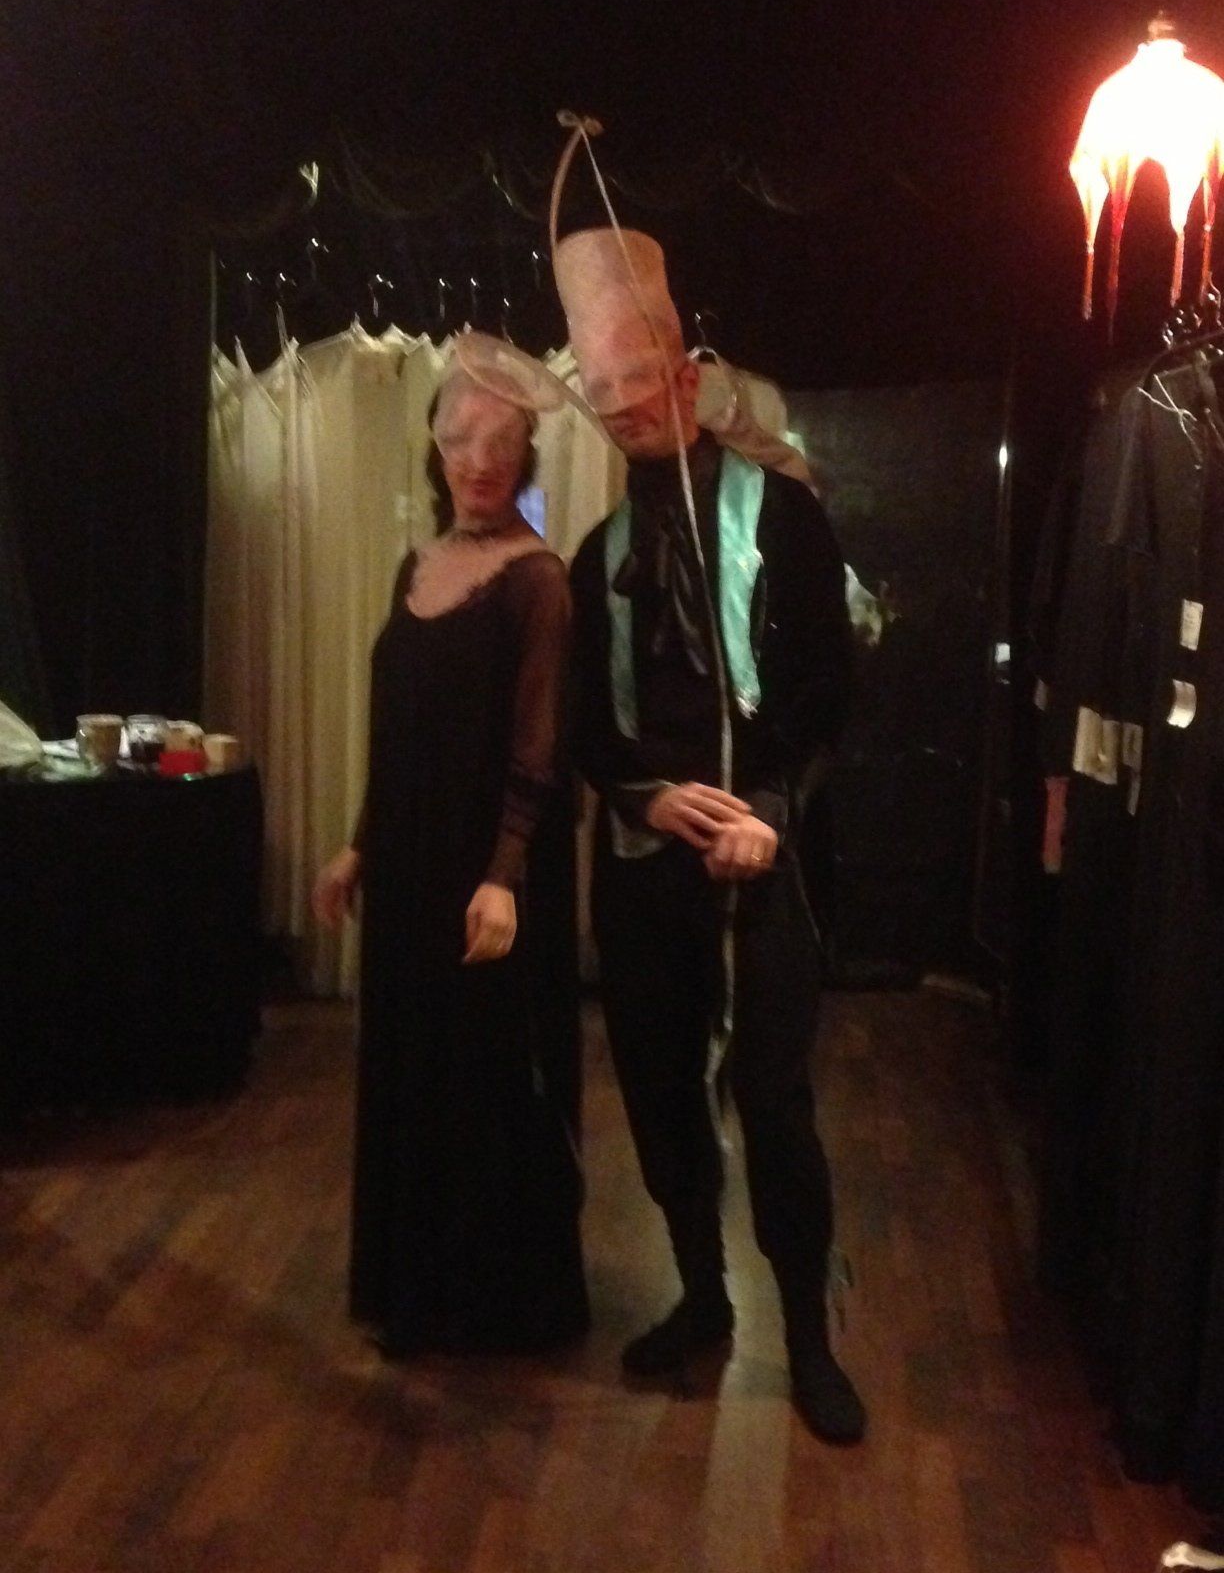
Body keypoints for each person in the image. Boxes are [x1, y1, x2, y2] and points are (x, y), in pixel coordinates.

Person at [559, 226, 865, 1442]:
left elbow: (833, 697)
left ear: (688, 379)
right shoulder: (594, 561)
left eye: (644, 383)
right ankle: (702, 1296)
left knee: (775, 1105)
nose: (630, 410)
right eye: (608, 396)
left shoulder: (783, 517)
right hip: (644, 874)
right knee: (658, 1095)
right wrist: (643, 797)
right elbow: (587, 729)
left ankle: (809, 1342)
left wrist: (771, 812)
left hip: (764, 869)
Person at [313, 335, 589, 1357]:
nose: (481, 461)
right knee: (414, 1074)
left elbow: (540, 747)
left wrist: (504, 876)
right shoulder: (415, 568)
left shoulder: (539, 581)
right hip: (410, 875)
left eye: (502, 443)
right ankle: (416, 1292)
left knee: (484, 1084)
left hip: (488, 882)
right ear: (435, 448)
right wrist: (358, 848)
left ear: (525, 457)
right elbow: (397, 738)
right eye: (463, 439)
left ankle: (491, 1306)